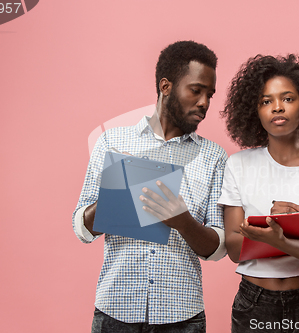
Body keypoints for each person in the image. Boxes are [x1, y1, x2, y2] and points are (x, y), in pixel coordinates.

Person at [72, 40, 227, 332]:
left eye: (210, 94)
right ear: (165, 86)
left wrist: (183, 222)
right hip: (115, 312)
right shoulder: (112, 142)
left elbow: (219, 248)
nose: (205, 102)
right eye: (196, 90)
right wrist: (120, 188)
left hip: (182, 316)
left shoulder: (214, 156)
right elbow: (82, 228)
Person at [218, 54, 299, 332]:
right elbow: (234, 249)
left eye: (288, 98)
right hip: (254, 302)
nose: (277, 107)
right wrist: (282, 231)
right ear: (254, 111)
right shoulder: (237, 165)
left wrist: (275, 236)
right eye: (266, 101)